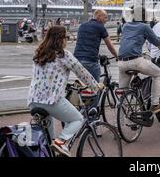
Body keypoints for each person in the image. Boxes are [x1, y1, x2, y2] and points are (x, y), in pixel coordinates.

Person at [27, 25, 104, 157]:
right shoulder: (63, 55)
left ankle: (52, 150)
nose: (66, 40)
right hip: (52, 101)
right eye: (66, 37)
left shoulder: (39, 53)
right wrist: (96, 86)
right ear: (60, 39)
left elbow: (47, 76)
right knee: (77, 119)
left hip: (33, 101)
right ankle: (62, 142)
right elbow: (82, 73)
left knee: (48, 142)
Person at [118, 7, 160, 113]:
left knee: (122, 93)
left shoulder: (125, 26)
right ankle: (155, 104)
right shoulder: (144, 27)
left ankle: (121, 120)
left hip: (121, 63)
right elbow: (158, 43)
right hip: (136, 61)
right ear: (144, 16)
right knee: (158, 73)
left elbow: (129, 41)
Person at [74, 9, 118, 82]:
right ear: (99, 16)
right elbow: (110, 46)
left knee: (83, 85)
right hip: (90, 61)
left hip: (77, 60)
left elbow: (84, 42)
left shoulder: (82, 26)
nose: (106, 20)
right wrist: (117, 56)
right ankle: (96, 93)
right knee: (95, 87)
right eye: (105, 17)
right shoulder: (100, 27)